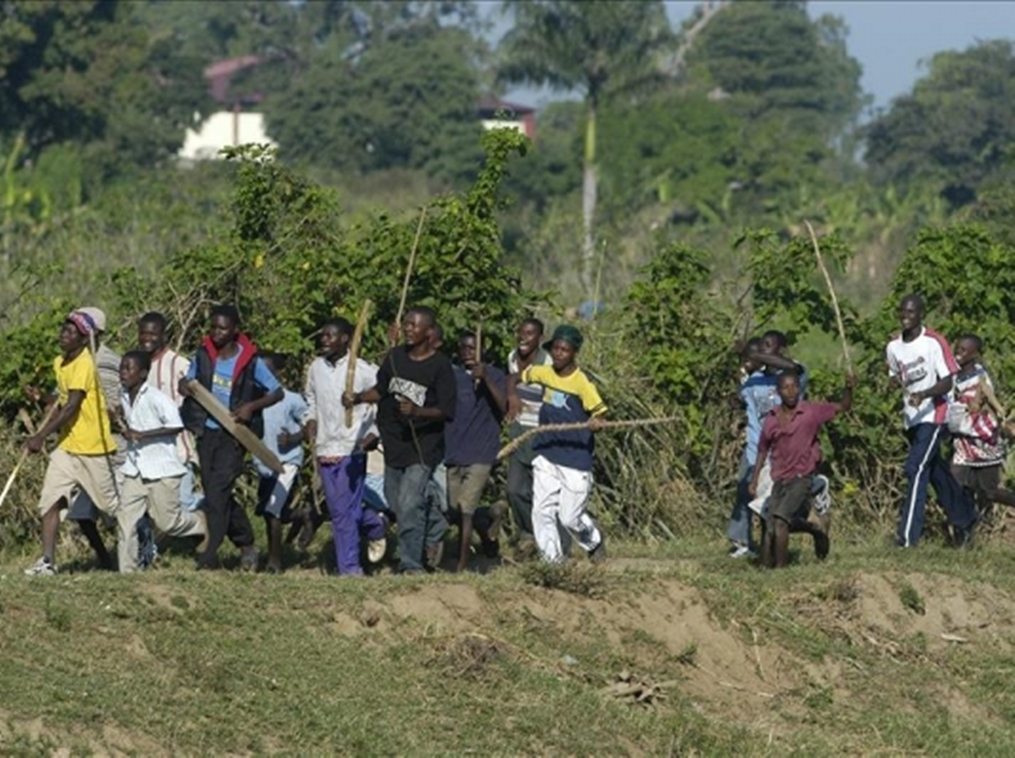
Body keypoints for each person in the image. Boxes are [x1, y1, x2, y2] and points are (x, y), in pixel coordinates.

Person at [344, 306, 455, 574]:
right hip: (393, 445)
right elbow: (381, 390)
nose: (408, 329)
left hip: (423, 448)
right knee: (396, 504)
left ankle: (410, 564)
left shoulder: (441, 366)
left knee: (407, 506)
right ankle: (436, 520)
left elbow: (448, 411)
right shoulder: (395, 357)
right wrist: (357, 398)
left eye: (414, 325)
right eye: (406, 324)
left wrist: (418, 412)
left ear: (429, 332)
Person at [23, 310, 127, 575]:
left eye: (72, 333)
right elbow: (60, 402)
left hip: (92, 449)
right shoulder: (61, 362)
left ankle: (140, 538)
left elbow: (71, 406)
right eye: (64, 330)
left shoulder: (85, 364)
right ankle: (47, 562)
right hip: (67, 447)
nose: (64, 335)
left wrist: (40, 437)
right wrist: (43, 398)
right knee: (50, 500)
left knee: (110, 508)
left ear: (84, 341)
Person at [180, 304, 283, 570]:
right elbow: (189, 380)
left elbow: (276, 392)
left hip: (235, 436)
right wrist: (185, 387)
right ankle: (246, 542)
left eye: (223, 328)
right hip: (207, 431)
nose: (217, 332)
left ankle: (210, 553)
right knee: (216, 493)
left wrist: (250, 407)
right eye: (213, 327)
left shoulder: (250, 362)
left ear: (235, 330)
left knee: (217, 491)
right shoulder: (203, 355)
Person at [508, 324, 607, 564]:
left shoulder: (582, 383)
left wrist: (596, 422)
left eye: (565, 350)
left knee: (569, 517)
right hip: (547, 453)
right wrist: (512, 394)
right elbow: (516, 377)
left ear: (574, 353)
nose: (559, 354)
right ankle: (552, 562)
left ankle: (593, 540)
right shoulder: (543, 373)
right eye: (556, 349)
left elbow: (600, 412)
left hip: (574, 459)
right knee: (541, 511)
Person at [886, 294, 977, 548]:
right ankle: (966, 516)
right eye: (902, 311)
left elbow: (948, 380)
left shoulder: (934, 342)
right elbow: (896, 375)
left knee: (915, 468)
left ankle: (906, 539)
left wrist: (924, 394)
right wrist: (895, 383)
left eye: (911, 312)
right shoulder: (893, 347)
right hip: (912, 418)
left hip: (934, 415)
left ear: (920, 314)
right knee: (934, 469)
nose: (905, 316)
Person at [304, 319, 388, 576]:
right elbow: (311, 400)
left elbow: (383, 402)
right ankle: (375, 524)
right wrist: (310, 420)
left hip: (353, 448)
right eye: (323, 335)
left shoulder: (363, 370)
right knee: (341, 509)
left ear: (345, 339)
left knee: (341, 513)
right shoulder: (316, 368)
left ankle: (349, 568)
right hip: (324, 446)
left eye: (331, 336)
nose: (324, 340)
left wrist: (374, 433)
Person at [749, 372, 854, 568]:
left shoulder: (811, 412)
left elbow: (843, 407)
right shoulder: (771, 419)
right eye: (786, 388)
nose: (791, 392)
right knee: (770, 522)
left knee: (780, 521)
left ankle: (781, 568)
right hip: (780, 478)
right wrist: (754, 479)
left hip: (802, 477)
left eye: (795, 386)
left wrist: (848, 389)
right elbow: (762, 450)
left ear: (800, 387)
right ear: (778, 391)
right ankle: (767, 564)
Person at [731, 332, 821, 557]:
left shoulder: (792, 375)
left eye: (769, 346)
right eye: (761, 345)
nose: (764, 349)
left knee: (774, 505)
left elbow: (792, 367)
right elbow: (739, 399)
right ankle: (743, 544)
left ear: (781, 350)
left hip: (784, 455)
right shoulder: (754, 379)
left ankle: (817, 490)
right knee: (746, 494)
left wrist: (755, 354)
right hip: (755, 451)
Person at [117, 351, 207, 572]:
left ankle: (200, 522)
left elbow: (176, 425)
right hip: (135, 469)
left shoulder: (156, 397)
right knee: (125, 521)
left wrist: (143, 434)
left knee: (167, 522)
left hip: (161, 469)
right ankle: (127, 572)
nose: (123, 373)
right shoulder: (123, 396)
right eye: (122, 368)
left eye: (129, 369)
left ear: (143, 374)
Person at [445, 331, 508, 571]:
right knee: (452, 509)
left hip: (481, 452)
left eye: (473, 348)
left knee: (465, 509)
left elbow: (504, 407)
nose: (468, 353)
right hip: (454, 451)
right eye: (464, 348)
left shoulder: (495, 374)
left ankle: (462, 565)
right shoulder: (452, 375)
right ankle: (487, 520)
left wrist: (486, 380)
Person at [137, 311, 202, 512]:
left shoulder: (179, 364)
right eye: (143, 334)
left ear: (164, 336)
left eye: (152, 334)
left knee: (183, 504)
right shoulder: (137, 366)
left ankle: (215, 512)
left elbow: (195, 401)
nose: (147, 339)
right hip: (147, 451)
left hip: (177, 451)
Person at [947, 334, 1015, 514]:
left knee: (990, 492)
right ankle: (964, 531)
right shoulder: (954, 373)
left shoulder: (979, 377)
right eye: (957, 348)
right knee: (955, 485)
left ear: (974, 354)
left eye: (963, 350)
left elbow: (981, 403)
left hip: (984, 440)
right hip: (963, 441)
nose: (958, 353)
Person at [254, 352, 308, 574]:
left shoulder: (292, 399)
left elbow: (309, 425)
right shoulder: (252, 400)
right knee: (270, 511)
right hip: (263, 464)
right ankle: (304, 514)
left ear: (278, 373)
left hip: (287, 461)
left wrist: (293, 438)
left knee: (271, 511)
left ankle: (275, 562)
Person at [505, 318, 553, 551]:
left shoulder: (549, 363)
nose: (524, 338)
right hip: (518, 430)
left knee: (542, 491)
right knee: (514, 489)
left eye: (530, 334)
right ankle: (528, 533)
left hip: (542, 432)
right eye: (521, 332)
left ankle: (545, 538)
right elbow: (511, 382)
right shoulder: (512, 358)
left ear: (540, 338)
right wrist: (512, 395)